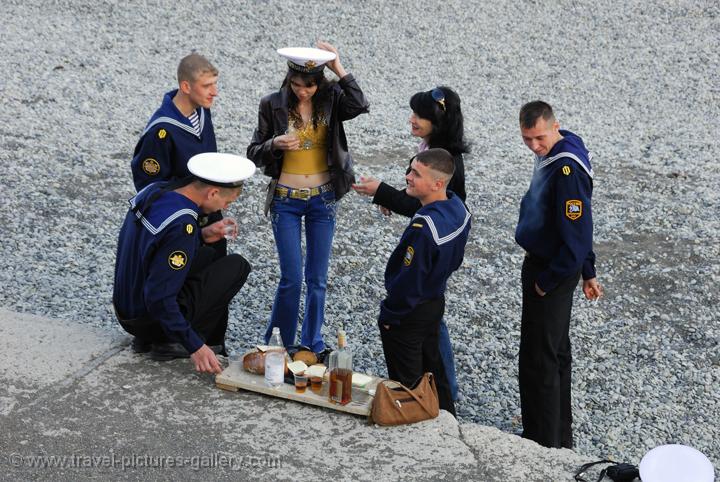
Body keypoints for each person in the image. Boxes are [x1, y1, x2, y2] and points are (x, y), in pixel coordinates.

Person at [246, 42, 369, 356]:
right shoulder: (271, 104)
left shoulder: (331, 100)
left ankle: (311, 344)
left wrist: (338, 65)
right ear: (288, 80)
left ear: (320, 82)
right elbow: (253, 153)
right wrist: (275, 143)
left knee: (317, 279)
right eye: (297, 85)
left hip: (323, 199)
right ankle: (278, 345)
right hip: (286, 199)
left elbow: (360, 103)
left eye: (310, 85)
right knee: (291, 278)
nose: (303, 91)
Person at [352, 86, 468, 401]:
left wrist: (390, 315)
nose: (412, 120)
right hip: (431, 290)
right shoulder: (434, 152)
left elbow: (429, 210)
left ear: (437, 122)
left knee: (422, 348)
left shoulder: (443, 165)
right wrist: (395, 194)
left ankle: (430, 403)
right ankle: (443, 401)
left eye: (420, 116)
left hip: (418, 297)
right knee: (431, 329)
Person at [113, 154, 254, 373]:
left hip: (125, 307)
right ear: (213, 192)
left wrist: (202, 235)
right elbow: (158, 297)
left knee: (206, 255)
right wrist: (194, 345)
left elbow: (153, 248)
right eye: (227, 202)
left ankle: (146, 338)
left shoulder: (156, 191)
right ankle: (171, 342)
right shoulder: (182, 225)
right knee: (237, 266)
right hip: (147, 319)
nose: (224, 207)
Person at [514, 100, 603, 448]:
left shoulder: (567, 168)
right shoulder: (564, 146)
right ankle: (557, 438)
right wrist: (588, 272)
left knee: (541, 358)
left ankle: (543, 441)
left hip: (550, 270)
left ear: (555, 125)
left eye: (538, 138)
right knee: (555, 352)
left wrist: (545, 282)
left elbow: (577, 232)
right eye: (526, 139)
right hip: (556, 266)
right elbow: (579, 229)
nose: (534, 146)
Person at [378, 148, 471, 417]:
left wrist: (390, 315)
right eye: (410, 170)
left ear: (437, 184)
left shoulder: (424, 229)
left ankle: (415, 438)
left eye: (416, 174)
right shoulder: (457, 208)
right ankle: (447, 423)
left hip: (410, 312)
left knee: (408, 386)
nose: (408, 177)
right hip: (435, 301)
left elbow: (409, 280)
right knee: (435, 374)